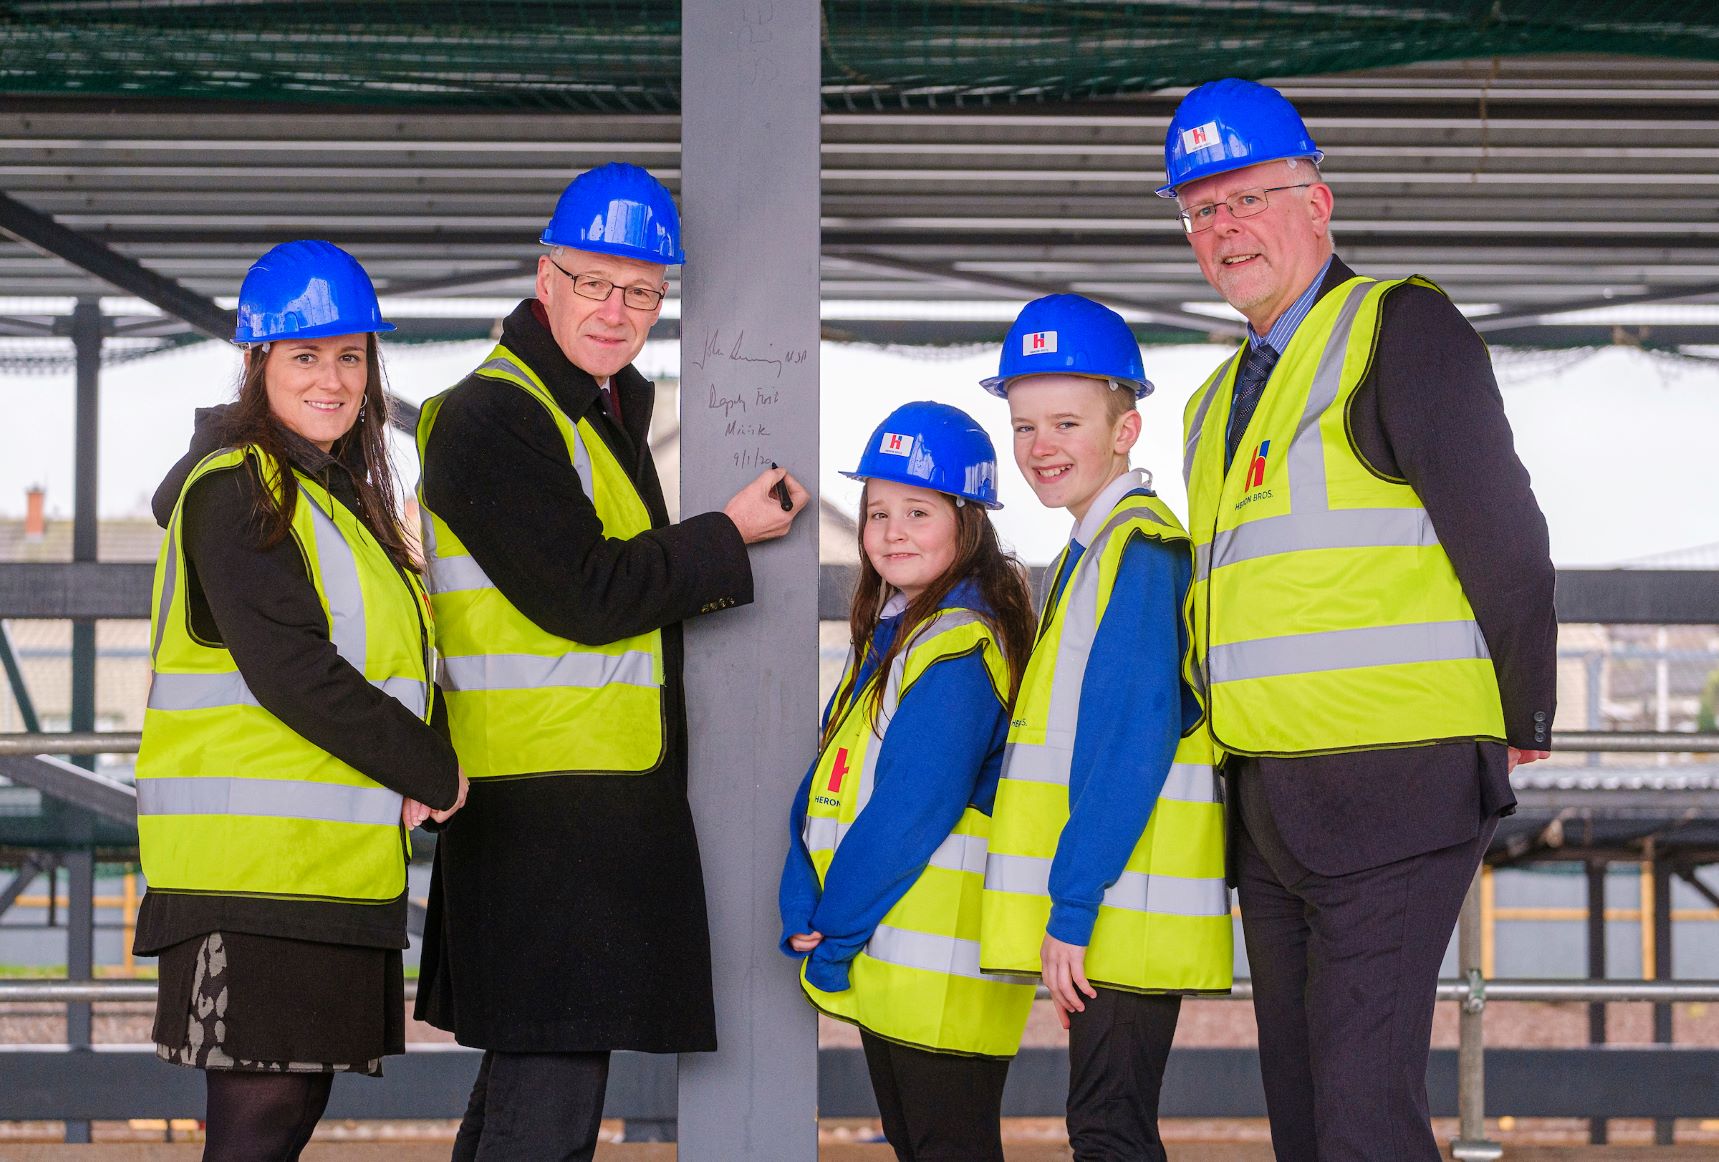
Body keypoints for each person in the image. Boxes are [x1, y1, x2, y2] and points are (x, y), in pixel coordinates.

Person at [1160, 77, 1558, 1162]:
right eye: (1200, 210)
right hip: (1271, 800)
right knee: (1305, 1114)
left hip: (1397, 780)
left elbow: (1507, 537)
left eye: (1248, 196)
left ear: (1318, 201)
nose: (1224, 227)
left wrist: (1523, 707)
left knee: (1361, 1117)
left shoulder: (1400, 327)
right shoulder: (1211, 406)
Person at [413, 161, 808, 1160]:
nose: (617, 308)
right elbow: (582, 593)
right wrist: (727, 534)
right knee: (546, 1107)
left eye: (642, 290)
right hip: (544, 815)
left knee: (531, 1087)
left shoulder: (587, 410)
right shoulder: (492, 416)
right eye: (595, 281)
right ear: (546, 278)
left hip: (573, 805)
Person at [133, 239, 467, 1161]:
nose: (332, 379)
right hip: (247, 879)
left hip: (322, 870)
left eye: (350, 356)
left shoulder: (334, 498)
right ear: (258, 363)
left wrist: (424, 753)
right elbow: (294, 671)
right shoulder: (237, 488)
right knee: (259, 1127)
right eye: (305, 356)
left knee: (288, 1115)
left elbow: (386, 663)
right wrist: (432, 765)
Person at [977, 295, 1232, 1162]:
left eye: (1064, 422)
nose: (1039, 447)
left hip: (1120, 900)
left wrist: (1074, 904)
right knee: (1105, 1123)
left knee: (1107, 1129)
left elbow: (1129, 738)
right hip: (1111, 902)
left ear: (1125, 430)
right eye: (1022, 426)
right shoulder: (1092, 553)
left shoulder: (1136, 549)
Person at [778, 402, 1038, 1161]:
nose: (891, 532)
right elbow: (831, 783)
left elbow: (907, 810)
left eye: (917, 511)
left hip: (939, 963)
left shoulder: (957, 644)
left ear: (968, 522)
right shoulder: (898, 636)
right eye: (876, 512)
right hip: (895, 956)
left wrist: (836, 929)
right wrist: (806, 891)